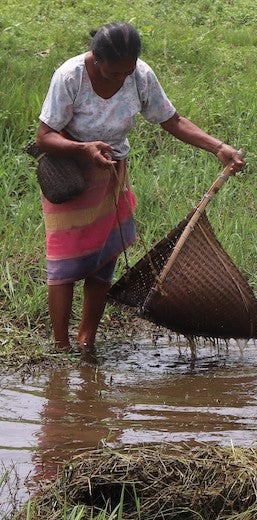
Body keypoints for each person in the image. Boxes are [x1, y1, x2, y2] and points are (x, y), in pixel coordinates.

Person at [35, 21, 245, 354]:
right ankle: (61, 346)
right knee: (64, 265)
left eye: (126, 72)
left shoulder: (139, 75)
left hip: (111, 175)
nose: (120, 79)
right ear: (96, 58)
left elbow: (171, 120)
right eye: (112, 73)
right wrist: (84, 148)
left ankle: (86, 339)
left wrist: (218, 147)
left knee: (103, 260)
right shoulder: (70, 76)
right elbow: (45, 136)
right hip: (71, 177)